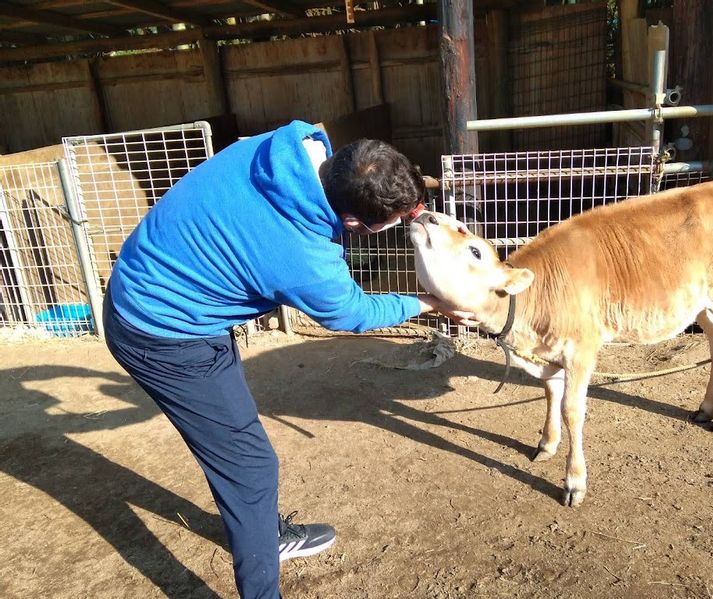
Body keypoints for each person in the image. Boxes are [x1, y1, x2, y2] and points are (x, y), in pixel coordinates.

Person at [102, 119, 471, 599]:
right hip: (164, 334)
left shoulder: (293, 145)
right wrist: (431, 303)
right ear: (355, 223)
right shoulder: (300, 253)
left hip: (165, 291)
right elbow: (351, 312)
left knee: (234, 447)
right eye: (395, 222)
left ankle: (260, 530)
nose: (404, 224)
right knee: (251, 465)